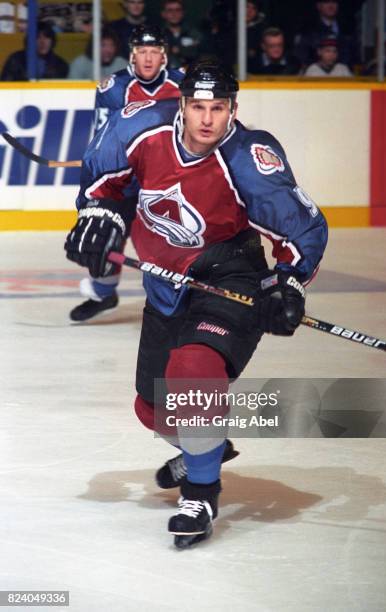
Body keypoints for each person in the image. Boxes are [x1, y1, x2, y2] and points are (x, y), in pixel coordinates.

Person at [64, 61, 328, 548]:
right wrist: (97, 214)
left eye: (219, 108)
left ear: (233, 110)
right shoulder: (141, 126)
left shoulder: (249, 157)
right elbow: (102, 178)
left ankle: (201, 491)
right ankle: (204, 444)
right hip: (166, 289)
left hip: (229, 277)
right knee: (151, 406)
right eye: (198, 107)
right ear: (182, 105)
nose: (208, 120)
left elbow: (304, 228)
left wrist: (288, 284)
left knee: (193, 368)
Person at [69, 24, 184, 322]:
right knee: (102, 232)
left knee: (170, 241)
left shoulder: (184, 85)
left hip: (167, 182)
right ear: (131, 55)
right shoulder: (113, 88)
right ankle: (104, 292)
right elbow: (103, 139)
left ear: (164, 56)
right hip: (124, 180)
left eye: (153, 52)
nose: (147, 59)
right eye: (141, 52)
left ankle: (175, 299)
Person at [294, 0, 356, 70]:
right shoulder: (308, 30)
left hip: (345, 78)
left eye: (334, 2)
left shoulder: (347, 28)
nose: (331, 5)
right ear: (318, 6)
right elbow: (302, 59)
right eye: (326, 2)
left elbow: (354, 57)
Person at [1, 21, 68, 80]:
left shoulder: (60, 65)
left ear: (52, 40)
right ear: (30, 40)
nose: (43, 42)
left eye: (47, 37)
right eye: (37, 37)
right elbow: (5, 87)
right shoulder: (16, 60)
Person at [160, 0, 201, 69]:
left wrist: (178, 50)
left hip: (190, 73)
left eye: (178, 10)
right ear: (163, 14)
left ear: (183, 13)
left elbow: (198, 52)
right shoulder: (159, 33)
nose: (174, 14)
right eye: (170, 10)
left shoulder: (193, 33)